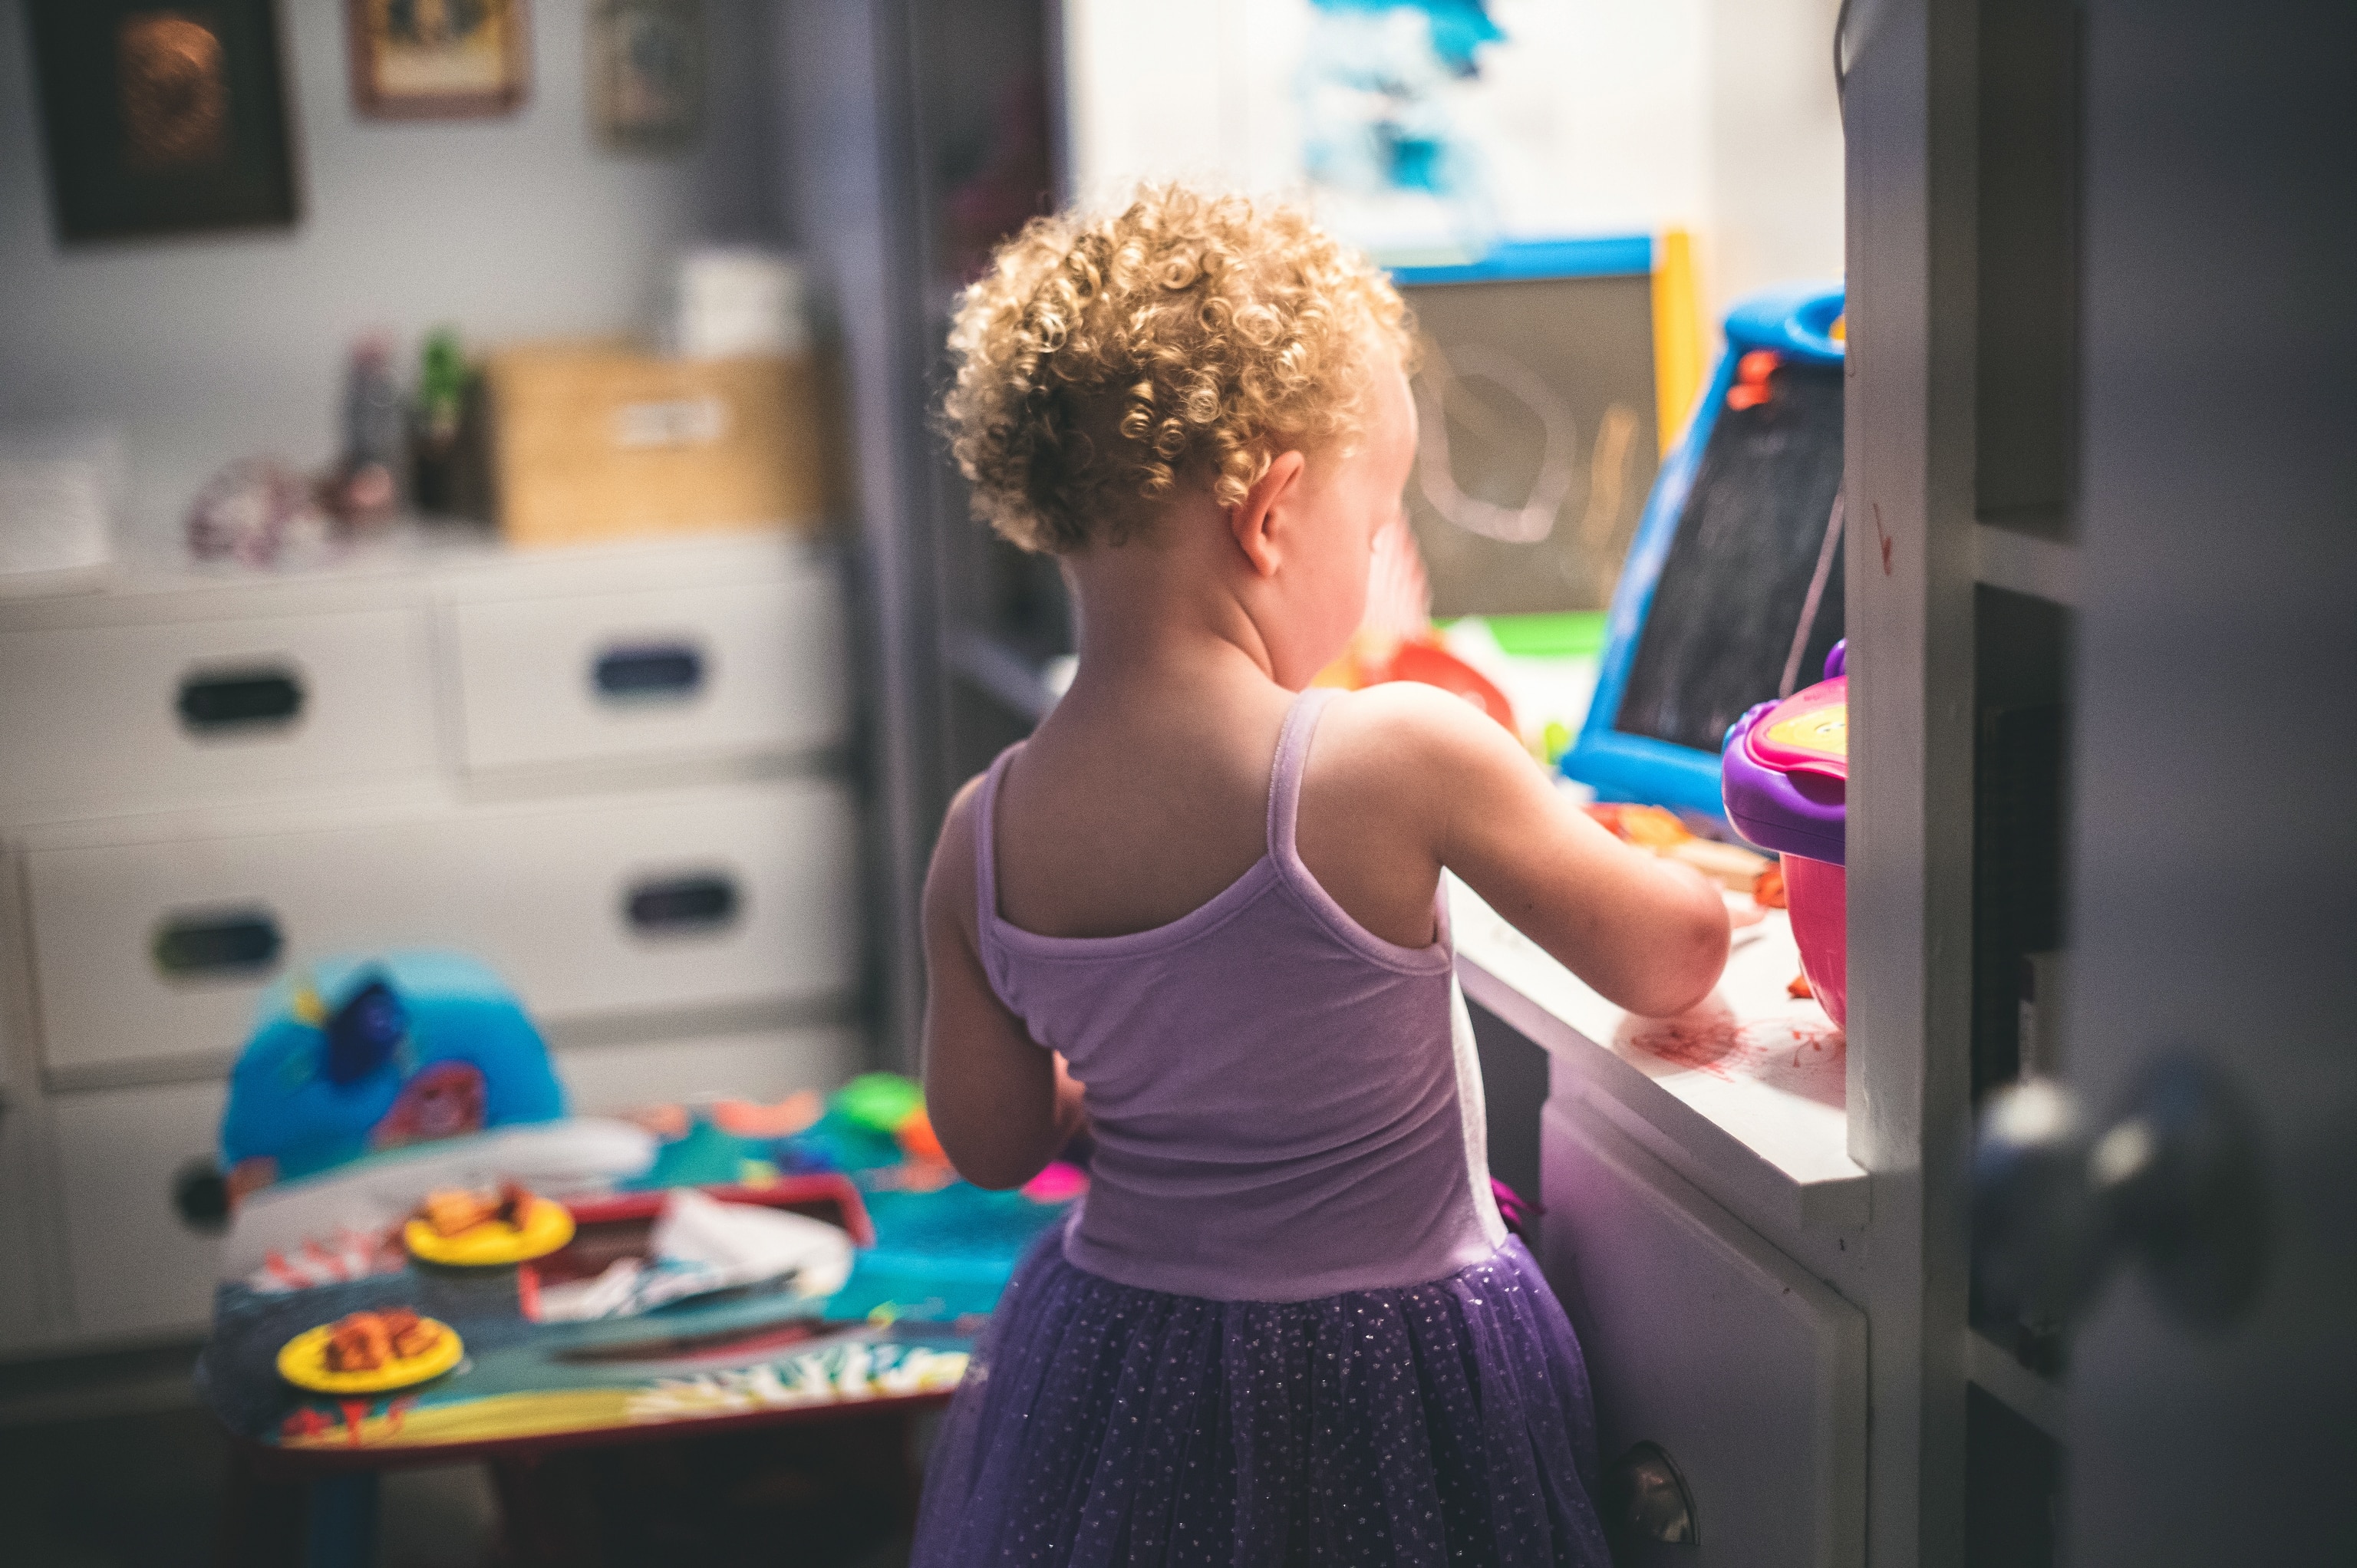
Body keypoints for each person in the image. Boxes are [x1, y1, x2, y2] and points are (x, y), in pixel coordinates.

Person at [911, 184, 1731, 1565]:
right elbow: (1672, 956)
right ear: (1276, 512)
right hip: (1393, 1376)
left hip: (1129, 1369)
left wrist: (1151, 1061)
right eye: (1376, 526)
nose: (1371, 564)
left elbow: (992, 1142)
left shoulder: (981, 836)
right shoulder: (1394, 757)